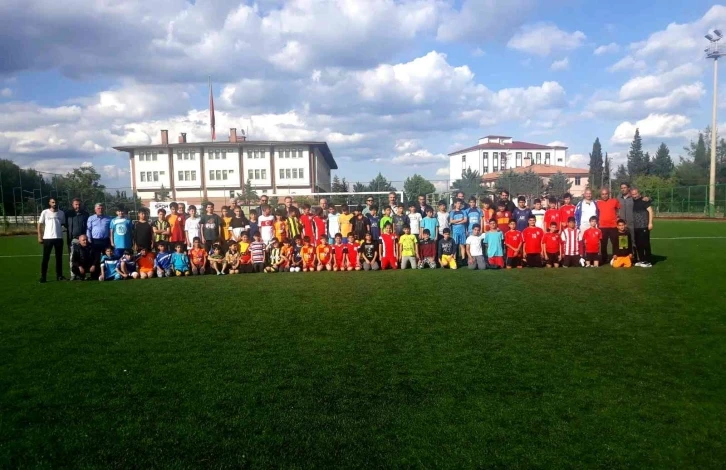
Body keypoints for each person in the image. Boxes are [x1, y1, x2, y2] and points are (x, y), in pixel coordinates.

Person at [38, 197, 67, 283]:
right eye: (53, 202)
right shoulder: (45, 212)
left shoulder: (61, 213)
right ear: (49, 203)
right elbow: (39, 224)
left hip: (59, 238)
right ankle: (43, 277)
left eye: (55, 202)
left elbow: (63, 225)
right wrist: (39, 236)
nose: (54, 204)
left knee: (59, 258)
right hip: (48, 238)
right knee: (46, 258)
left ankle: (59, 276)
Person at [65, 198, 89, 280]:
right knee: (72, 257)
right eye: (76, 204)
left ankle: (83, 274)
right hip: (73, 239)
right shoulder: (68, 214)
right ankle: (73, 275)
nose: (77, 206)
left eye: (79, 204)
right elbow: (65, 225)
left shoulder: (85, 214)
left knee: (83, 257)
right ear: (72, 205)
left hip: (83, 239)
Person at [596, 188, 620, 264]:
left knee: (615, 243)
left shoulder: (614, 201)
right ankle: (604, 259)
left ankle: (616, 257)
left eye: (606, 194)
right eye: (603, 194)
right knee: (603, 244)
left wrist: (618, 217)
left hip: (613, 226)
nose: (604, 195)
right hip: (602, 227)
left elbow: (620, 209)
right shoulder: (598, 203)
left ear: (608, 194)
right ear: (600, 195)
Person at [632, 187, 654, 267]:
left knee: (645, 244)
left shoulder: (644, 201)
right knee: (638, 244)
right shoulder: (633, 202)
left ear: (639, 193)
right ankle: (642, 260)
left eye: (636, 194)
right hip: (636, 227)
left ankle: (648, 261)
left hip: (644, 226)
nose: (634, 196)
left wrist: (650, 223)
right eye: (633, 194)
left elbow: (650, 211)